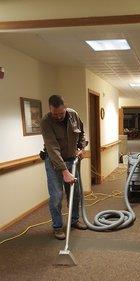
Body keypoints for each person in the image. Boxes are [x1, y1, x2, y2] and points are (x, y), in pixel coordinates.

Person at [41, 95, 87, 240]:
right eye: (55, 114)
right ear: (50, 109)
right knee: (57, 196)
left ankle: (74, 220)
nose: (58, 116)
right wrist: (64, 171)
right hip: (53, 162)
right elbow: (53, 148)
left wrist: (81, 147)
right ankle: (57, 226)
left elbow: (82, 134)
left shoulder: (73, 115)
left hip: (72, 159)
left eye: (61, 113)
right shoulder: (46, 121)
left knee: (75, 193)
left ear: (65, 108)